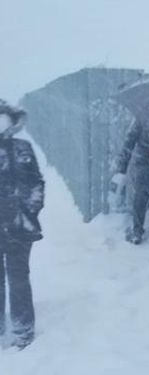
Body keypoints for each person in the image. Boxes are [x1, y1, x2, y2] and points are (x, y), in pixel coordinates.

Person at [0, 101, 44, 349]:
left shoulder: (22, 148)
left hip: (20, 224)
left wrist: (30, 209)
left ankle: (23, 331)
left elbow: (37, 183)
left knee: (18, 277)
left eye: (3, 118)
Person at [113, 120, 149, 244]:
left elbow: (130, 140)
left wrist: (123, 164)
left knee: (141, 198)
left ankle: (137, 231)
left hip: (144, 162)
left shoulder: (144, 115)